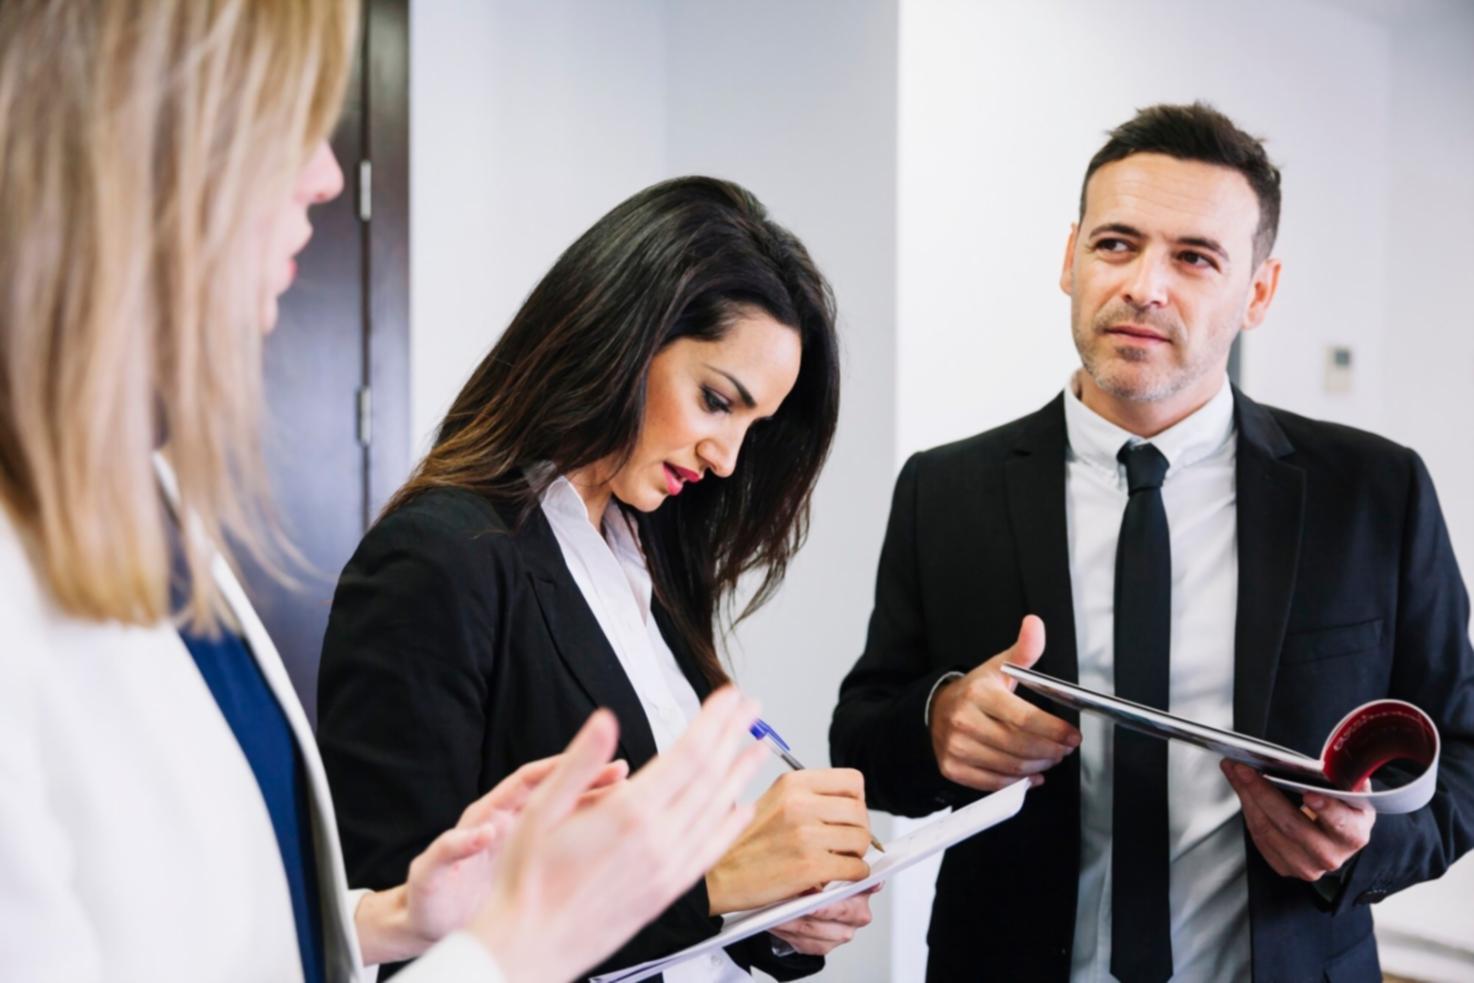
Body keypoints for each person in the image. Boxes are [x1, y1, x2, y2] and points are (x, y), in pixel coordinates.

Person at [0, 2, 769, 981]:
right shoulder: (445, 551)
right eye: (292, 121)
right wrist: (515, 947)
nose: (326, 174)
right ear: (132, 144)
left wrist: (392, 915)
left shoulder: (142, 498)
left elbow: (219, 927)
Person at [831, 102, 1474, 982]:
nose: (1145, 285)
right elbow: (865, 737)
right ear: (1069, 258)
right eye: (1116, 244)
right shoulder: (946, 489)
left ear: (1258, 292)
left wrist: (1358, 848)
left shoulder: (1374, 492)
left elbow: (1464, 750)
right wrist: (939, 723)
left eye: (1195, 257)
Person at [317, 176, 877, 982]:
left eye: (753, 428)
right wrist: (717, 881)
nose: (727, 458)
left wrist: (778, 912)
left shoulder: (641, 557)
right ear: (623, 337)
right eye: (717, 401)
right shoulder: (437, 560)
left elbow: (688, 912)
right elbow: (403, 936)